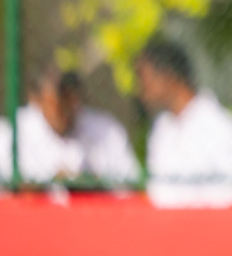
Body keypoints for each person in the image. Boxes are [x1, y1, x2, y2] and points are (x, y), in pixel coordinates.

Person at [136, 39, 232, 208]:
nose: (141, 89)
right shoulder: (161, 129)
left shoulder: (219, 126)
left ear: (168, 77)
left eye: (144, 78)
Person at [0, 68, 139, 186]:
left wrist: (93, 184)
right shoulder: (11, 132)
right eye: (60, 101)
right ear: (37, 99)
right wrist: (51, 184)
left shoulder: (107, 129)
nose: (69, 109)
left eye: (73, 101)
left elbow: (132, 183)